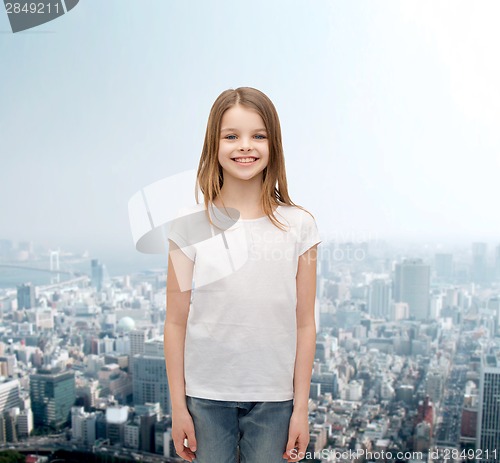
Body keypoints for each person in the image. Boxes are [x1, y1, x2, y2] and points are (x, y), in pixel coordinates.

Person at [164, 87, 322, 463]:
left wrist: (301, 409)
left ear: (273, 144)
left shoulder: (300, 226)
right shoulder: (189, 226)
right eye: (231, 136)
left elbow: (305, 323)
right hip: (204, 396)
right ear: (213, 145)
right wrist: (178, 408)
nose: (245, 146)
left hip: (276, 400)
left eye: (258, 135)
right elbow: (175, 322)